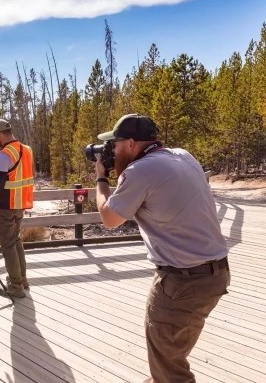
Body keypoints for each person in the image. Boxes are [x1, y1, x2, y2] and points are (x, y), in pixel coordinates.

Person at [94, 113, 230, 383]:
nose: (112, 150)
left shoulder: (139, 171)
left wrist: (101, 180)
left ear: (131, 143)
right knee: (168, 353)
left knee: (169, 364)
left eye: (115, 144)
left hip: (182, 281)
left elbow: (109, 219)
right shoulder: (182, 155)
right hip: (215, 273)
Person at [0, 119, 34, 298]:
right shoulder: (26, 150)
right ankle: (22, 279)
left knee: (8, 245)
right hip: (21, 203)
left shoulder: (4, 155)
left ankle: (16, 286)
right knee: (16, 240)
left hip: (5, 205)